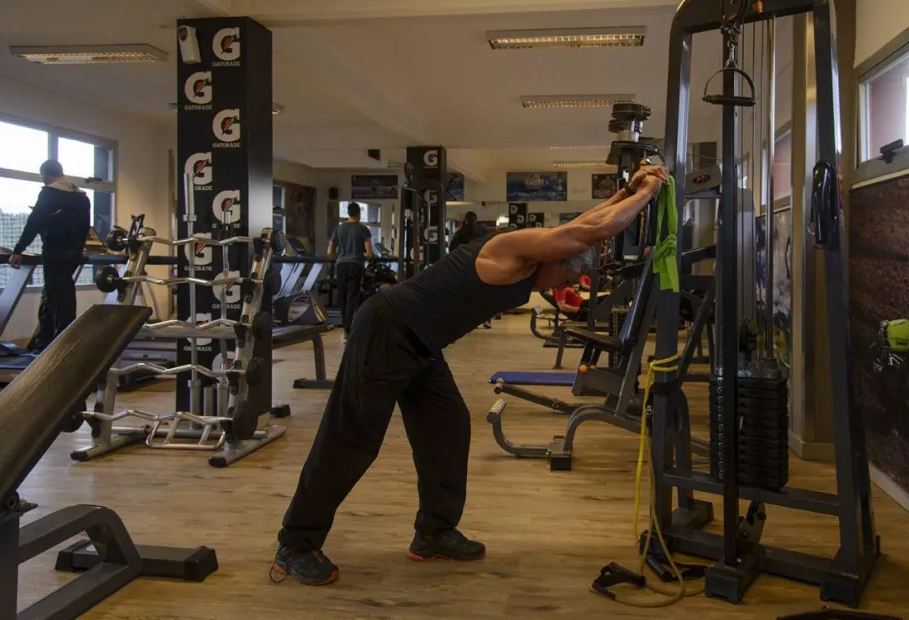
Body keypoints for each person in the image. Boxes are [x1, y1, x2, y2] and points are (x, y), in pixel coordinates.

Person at [270, 164, 670, 586]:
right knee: (352, 439)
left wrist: (629, 188)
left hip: (421, 342)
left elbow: (584, 224)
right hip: (388, 329)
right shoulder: (508, 251)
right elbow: (593, 231)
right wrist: (651, 191)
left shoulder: (532, 262)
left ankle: (434, 531)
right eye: (566, 275)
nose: (560, 286)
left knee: (449, 426)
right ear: (558, 257)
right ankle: (295, 544)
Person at [8, 160, 90, 352]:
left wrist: (18, 250)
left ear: (46, 173)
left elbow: (34, 222)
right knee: (52, 295)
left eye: (41, 176)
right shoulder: (82, 197)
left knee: (60, 300)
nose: (42, 179)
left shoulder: (50, 193)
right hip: (73, 254)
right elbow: (85, 228)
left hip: (55, 252)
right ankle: (41, 343)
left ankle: (62, 348)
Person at [329, 202, 374, 344]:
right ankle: (349, 329)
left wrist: (342, 255)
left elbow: (330, 251)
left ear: (348, 213)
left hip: (341, 265)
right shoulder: (363, 229)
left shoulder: (339, 228)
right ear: (359, 213)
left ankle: (345, 329)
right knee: (352, 296)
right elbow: (370, 253)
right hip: (355, 265)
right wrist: (362, 256)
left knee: (342, 296)